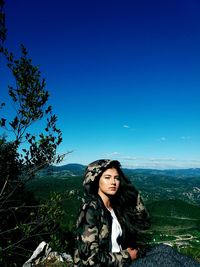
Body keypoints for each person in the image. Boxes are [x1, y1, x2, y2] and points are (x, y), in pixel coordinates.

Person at [74, 159, 200, 266]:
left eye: (116, 178)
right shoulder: (90, 210)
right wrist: (127, 256)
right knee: (164, 259)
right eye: (107, 177)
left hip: (122, 260)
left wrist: (134, 195)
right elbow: (90, 260)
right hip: (116, 263)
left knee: (164, 249)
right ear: (96, 181)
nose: (113, 182)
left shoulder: (115, 207)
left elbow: (144, 223)